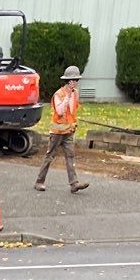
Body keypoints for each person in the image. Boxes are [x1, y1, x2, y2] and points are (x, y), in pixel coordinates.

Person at [35, 64, 89, 194]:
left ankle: (74, 184)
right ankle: (39, 181)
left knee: (70, 156)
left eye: (77, 80)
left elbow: (73, 111)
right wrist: (67, 98)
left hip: (69, 132)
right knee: (49, 156)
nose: (75, 83)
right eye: (73, 80)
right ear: (68, 81)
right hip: (57, 133)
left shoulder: (75, 93)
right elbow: (59, 112)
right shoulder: (59, 95)